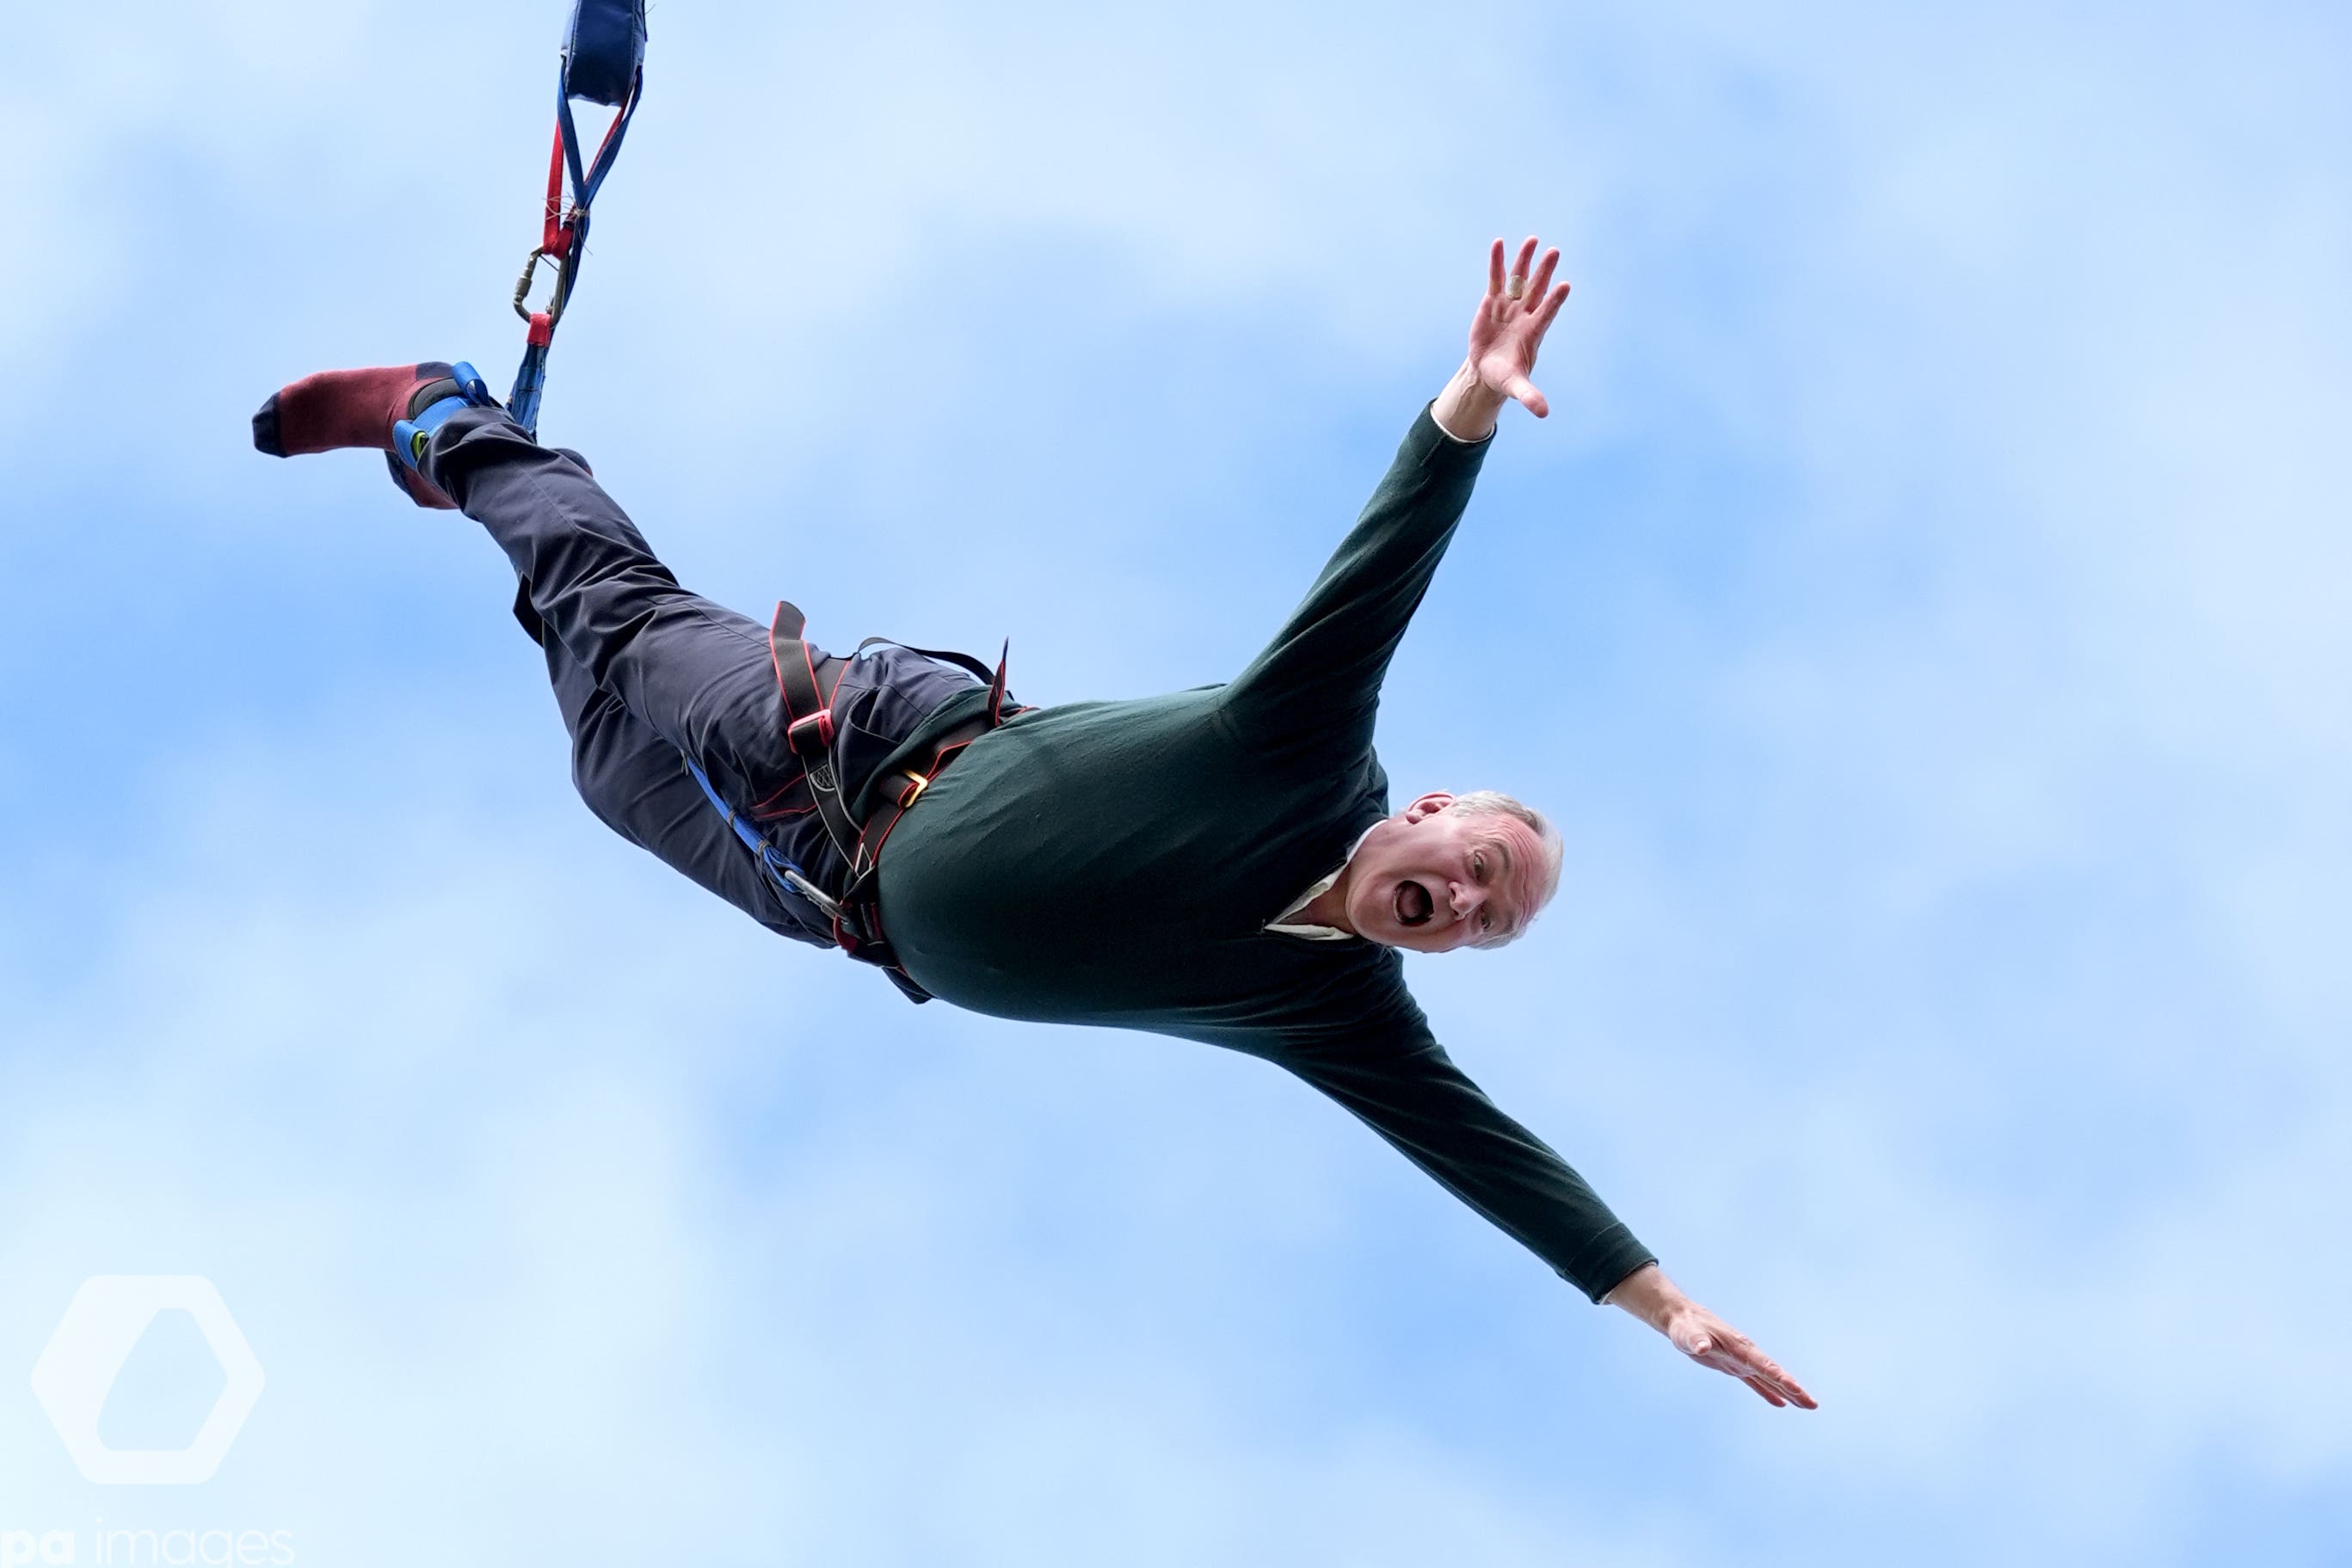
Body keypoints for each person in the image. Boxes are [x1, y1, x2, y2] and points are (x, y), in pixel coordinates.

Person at [254, 237, 1815, 1410]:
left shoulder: (1333, 1009)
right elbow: (1383, 561)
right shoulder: (1303, 749)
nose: (1469, 901)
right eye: (1478, 867)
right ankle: (445, 421)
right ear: (1422, 815)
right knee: (619, 610)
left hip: (822, 893)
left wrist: (1665, 1307)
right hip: (854, 740)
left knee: (600, 746)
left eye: (1492, 919)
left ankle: (509, 500)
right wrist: (1467, 401)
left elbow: (1488, 1158)